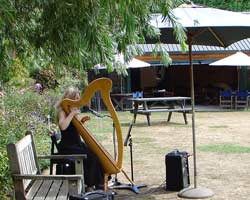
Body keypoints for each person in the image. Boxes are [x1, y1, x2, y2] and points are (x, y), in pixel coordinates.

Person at [55, 87, 104, 191]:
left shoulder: (73, 110)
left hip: (77, 144)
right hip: (68, 146)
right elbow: (63, 126)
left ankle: (96, 183)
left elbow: (73, 127)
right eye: (76, 98)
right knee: (91, 157)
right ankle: (90, 185)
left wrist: (82, 122)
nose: (78, 101)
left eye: (78, 98)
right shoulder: (62, 111)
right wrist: (72, 114)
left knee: (95, 154)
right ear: (70, 99)